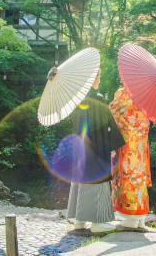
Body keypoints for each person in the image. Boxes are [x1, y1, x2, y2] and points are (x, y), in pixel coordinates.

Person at [64, 70, 126, 233]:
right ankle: (98, 223)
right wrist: (114, 145)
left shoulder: (78, 99)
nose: (99, 80)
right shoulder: (97, 98)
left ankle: (79, 220)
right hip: (97, 146)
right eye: (98, 77)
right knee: (97, 181)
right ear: (93, 79)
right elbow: (108, 122)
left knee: (81, 179)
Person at [109, 86, 151, 229]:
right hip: (140, 143)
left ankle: (130, 220)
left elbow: (112, 112)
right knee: (139, 178)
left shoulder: (121, 93)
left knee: (127, 178)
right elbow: (147, 119)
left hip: (126, 143)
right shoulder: (145, 93)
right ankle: (140, 219)